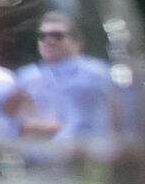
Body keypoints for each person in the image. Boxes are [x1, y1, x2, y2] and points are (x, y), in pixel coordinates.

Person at [10, 11, 113, 139]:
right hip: (43, 153)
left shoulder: (97, 73)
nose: (48, 41)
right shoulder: (26, 77)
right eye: (42, 36)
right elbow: (14, 120)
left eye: (57, 35)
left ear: (77, 42)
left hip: (91, 150)